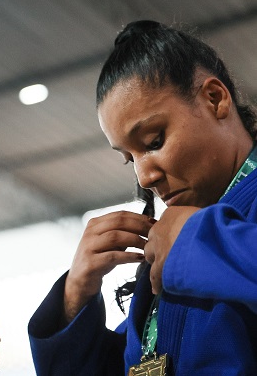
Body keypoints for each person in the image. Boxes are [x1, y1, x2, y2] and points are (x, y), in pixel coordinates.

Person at [28, 20, 257, 374]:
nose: (145, 176)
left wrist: (200, 239)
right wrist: (75, 298)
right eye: (129, 158)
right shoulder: (168, 253)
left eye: (154, 141)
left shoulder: (190, 240)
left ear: (215, 99)